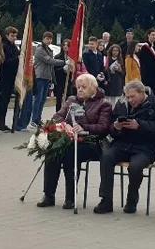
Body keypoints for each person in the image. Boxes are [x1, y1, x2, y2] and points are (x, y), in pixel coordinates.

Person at [36, 74, 112, 210]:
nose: (80, 90)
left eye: (84, 87)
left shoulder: (103, 104)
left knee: (70, 154)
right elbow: (57, 116)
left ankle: (70, 198)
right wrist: (65, 125)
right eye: (78, 87)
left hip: (91, 143)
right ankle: (48, 195)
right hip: (69, 138)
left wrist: (84, 127)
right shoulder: (71, 100)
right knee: (52, 151)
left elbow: (103, 127)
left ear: (94, 88)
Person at [94, 80, 155, 215]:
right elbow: (110, 125)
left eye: (132, 97)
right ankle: (106, 200)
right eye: (127, 97)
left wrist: (140, 126)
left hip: (145, 148)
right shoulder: (122, 104)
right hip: (122, 144)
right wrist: (116, 127)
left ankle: (131, 200)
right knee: (106, 157)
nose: (130, 100)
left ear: (142, 93)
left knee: (135, 166)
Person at [33, 32, 67, 129]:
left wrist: (53, 78)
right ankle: (34, 119)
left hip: (47, 77)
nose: (49, 40)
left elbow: (51, 66)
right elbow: (49, 60)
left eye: (50, 39)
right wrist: (64, 62)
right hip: (40, 76)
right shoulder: (40, 49)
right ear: (43, 39)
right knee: (38, 99)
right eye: (47, 38)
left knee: (43, 100)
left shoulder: (49, 50)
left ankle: (38, 119)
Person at [0, 26, 19, 132]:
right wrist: (17, 59)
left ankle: (3, 122)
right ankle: (0, 123)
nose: (14, 38)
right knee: (3, 101)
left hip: (12, 77)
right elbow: (4, 62)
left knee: (6, 101)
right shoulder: (4, 46)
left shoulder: (14, 47)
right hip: (5, 77)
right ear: (7, 35)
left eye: (15, 36)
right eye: (12, 36)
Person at [135, 29, 155, 97]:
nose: (154, 37)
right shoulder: (145, 47)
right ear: (148, 35)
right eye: (152, 35)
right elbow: (147, 62)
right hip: (148, 74)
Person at [53, 38, 72, 113]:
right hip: (60, 81)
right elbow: (55, 70)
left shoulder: (72, 58)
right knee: (59, 99)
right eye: (64, 45)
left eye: (67, 45)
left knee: (69, 99)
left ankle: (67, 115)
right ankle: (58, 115)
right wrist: (63, 69)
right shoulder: (58, 57)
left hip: (69, 82)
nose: (65, 47)